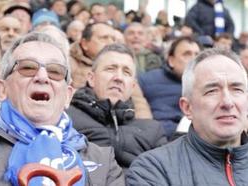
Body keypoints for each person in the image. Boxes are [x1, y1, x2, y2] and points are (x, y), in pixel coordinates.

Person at [0, 32, 124, 186]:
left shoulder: (103, 161)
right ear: (2, 90)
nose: (42, 77)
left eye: (55, 71)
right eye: (28, 67)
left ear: (68, 96)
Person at [126, 48, 248, 185]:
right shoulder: (153, 169)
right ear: (187, 108)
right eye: (212, 91)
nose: (227, 102)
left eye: (237, 89)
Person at [67, 43, 167, 169]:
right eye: (110, 69)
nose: (118, 77)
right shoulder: (66, 118)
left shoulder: (153, 130)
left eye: (126, 72)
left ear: (133, 87)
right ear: (91, 79)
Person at [139, 36, 200, 138]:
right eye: (187, 54)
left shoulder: (208, 84)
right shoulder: (146, 80)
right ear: (171, 60)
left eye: (197, 55)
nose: (194, 60)